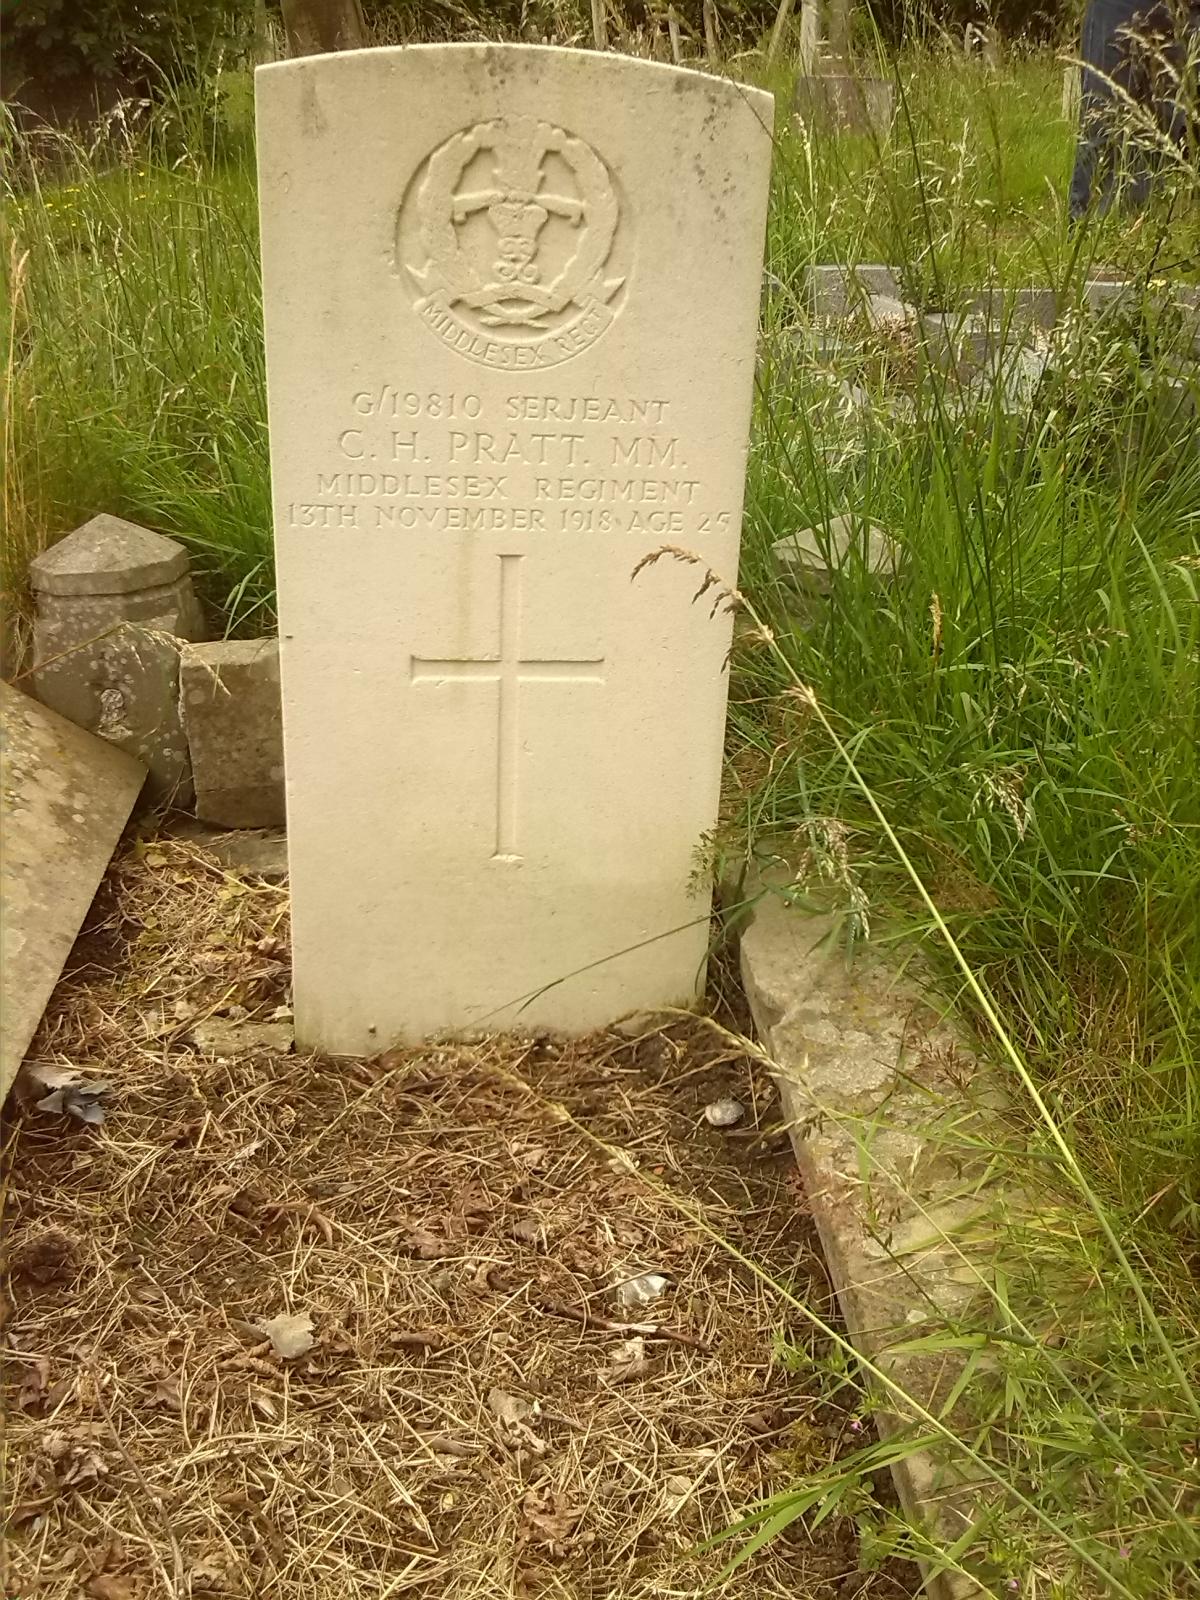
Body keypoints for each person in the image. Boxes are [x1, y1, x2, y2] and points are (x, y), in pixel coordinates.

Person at [1069, 0, 1199, 219]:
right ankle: (1104, 242)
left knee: (1187, 133)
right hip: (1118, 7)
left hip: (1190, 10)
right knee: (1107, 125)